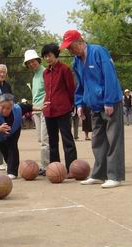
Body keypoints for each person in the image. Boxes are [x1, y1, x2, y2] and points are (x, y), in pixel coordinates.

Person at [61, 30, 124, 188]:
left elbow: (109, 75)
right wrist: (80, 104)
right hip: (94, 105)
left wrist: (109, 100)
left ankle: (115, 176)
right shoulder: (76, 61)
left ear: (80, 41)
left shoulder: (98, 51)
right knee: (97, 141)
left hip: (110, 103)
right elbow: (80, 85)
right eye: (68, 48)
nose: (70, 50)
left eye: (71, 46)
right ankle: (99, 175)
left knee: (113, 140)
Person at [41, 43, 77, 171]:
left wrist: (73, 105)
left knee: (67, 139)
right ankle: (55, 169)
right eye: (45, 56)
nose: (47, 59)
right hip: (48, 111)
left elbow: (71, 89)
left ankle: (72, 168)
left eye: (49, 55)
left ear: (55, 54)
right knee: (52, 141)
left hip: (63, 109)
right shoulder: (45, 73)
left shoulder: (64, 69)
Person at [0, 94, 38, 179]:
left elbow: (28, 107)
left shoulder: (17, 108)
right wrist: (0, 128)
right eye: (2, 107)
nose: (5, 110)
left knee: (13, 147)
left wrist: (40, 108)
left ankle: (12, 172)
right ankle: (9, 164)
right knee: (5, 151)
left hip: (14, 130)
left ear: (12, 107)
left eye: (8, 108)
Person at [23, 49, 49, 175]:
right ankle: (46, 164)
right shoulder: (34, 76)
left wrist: (45, 105)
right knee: (40, 139)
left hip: (44, 109)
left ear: (38, 60)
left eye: (33, 61)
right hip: (36, 110)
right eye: (29, 63)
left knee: (45, 139)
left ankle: (46, 166)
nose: (31, 64)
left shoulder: (45, 72)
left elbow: (49, 91)